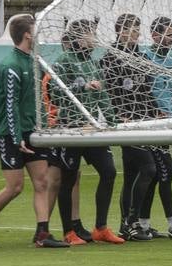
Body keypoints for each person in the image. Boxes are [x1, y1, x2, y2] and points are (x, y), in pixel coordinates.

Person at [0, 14, 68, 248]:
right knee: (15, 187)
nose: (39, 32)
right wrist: (17, 138)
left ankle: (42, 234)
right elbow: (10, 105)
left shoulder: (33, 61)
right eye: (36, 29)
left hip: (31, 131)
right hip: (9, 133)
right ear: (27, 34)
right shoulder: (11, 66)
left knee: (41, 183)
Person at [49, 18, 123, 244]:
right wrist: (81, 86)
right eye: (92, 34)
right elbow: (55, 91)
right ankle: (68, 231)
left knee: (109, 171)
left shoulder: (93, 63)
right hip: (71, 128)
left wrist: (111, 121)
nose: (95, 39)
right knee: (68, 178)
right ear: (80, 39)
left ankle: (101, 227)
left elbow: (102, 95)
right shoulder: (63, 60)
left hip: (92, 129)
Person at [101, 13, 159, 242]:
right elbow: (111, 91)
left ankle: (128, 224)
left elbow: (145, 89)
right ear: (121, 31)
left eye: (138, 29)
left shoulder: (139, 56)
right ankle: (131, 221)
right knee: (149, 168)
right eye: (133, 29)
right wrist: (118, 115)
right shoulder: (110, 57)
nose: (137, 33)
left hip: (142, 121)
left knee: (133, 173)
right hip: (125, 123)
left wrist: (154, 109)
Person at [142, 16, 172, 239]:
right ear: (154, 35)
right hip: (152, 125)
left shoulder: (171, 62)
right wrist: (154, 111)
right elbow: (143, 92)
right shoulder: (145, 58)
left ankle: (144, 223)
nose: (171, 39)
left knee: (156, 174)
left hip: (167, 124)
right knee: (166, 171)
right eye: (168, 35)